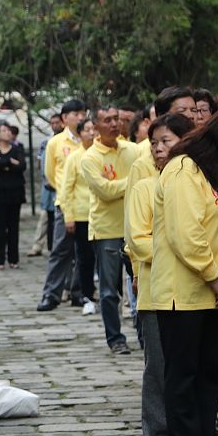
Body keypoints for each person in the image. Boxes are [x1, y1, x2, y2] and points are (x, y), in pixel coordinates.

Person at [145, 106, 218, 436]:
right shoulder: (182, 169)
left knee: (210, 376)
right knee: (184, 378)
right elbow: (185, 234)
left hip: (215, 295)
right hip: (182, 295)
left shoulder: (217, 175)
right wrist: (213, 276)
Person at [126, 113, 193, 436]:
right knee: (160, 368)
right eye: (153, 143)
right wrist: (183, 256)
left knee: (188, 370)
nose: (157, 149)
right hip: (158, 291)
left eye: (165, 141)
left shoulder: (196, 180)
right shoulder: (144, 187)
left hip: (196, 292)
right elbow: (138, 240)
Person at [81, 106, 138, 354]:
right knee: (108, 290)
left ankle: (145, 335)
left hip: (136, 227)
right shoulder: (90, 157)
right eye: (107, 120)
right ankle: (115, 338)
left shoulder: (133, 150)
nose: (114, 124)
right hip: (106, 230)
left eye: (116, 119)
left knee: (142, 285)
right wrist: (134, 182)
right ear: (96, 125)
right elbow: (104, 191)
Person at [37, 99, 88, 311]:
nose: (80, 117)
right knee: (60, 250)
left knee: (84, 252)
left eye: (82, 113)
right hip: (65, 203)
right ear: (65, 118)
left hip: (88, 203)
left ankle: (79, 292)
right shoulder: (55, 143)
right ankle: (51, 294)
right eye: (75, 113)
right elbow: (49, 173)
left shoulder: (90, 141)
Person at [59, 118, 98, 314]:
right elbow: (66, 188)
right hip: (82, 213)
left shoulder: (102, 155)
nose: (91, 133)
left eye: (94, 129)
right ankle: (87, 296)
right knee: (84, 258)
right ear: (80, 133)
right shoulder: (74, 157)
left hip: (103, 214)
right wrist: (69, 216)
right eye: (87, 130)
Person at [0, 122, 25, 269]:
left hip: (15, 193)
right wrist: (9, 162)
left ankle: (14, 259)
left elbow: (22, 165)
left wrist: (4, 162)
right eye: (3, 130)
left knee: (13, 227)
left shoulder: (17, 148)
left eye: (8, 130)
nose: (7, 133)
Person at [28, 113, 63, 257]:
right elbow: (39, 163)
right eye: (52, 123)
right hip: (47, 185)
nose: (55, 125)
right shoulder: (46, 142)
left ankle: (52, 245)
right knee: (46, 216)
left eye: (57, 122)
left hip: (60, 185)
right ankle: (41, 245)